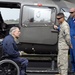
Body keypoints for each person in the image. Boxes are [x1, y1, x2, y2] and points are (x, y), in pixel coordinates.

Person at [68, 8, 75, 74]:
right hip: (71, 39)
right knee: (72, 56)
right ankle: (73, 69)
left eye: (72, 12)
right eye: (70, 12)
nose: (71, 14)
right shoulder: (70, 20)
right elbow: (67, 27)